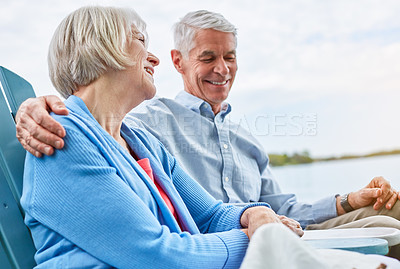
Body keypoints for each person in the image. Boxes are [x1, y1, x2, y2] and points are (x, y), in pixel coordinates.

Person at [16, 10, 400, 232]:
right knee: (388, 229)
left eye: (230, 57)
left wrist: (348, 200)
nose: (222, 69)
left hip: (278, 232)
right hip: (234, 246)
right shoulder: (148, 123)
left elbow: (283, 206)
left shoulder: (245, 137)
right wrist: (36, 107)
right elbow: (92, 109)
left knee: (391, 212)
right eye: (208, 58)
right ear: (178, 61)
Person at [21, 6, 307, 268]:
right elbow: (158, 256)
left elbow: (210, 217)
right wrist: (259, 236)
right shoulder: (61, 139)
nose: (155, 58)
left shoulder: (142, 143)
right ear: (99, 47)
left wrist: (255, 215)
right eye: (140, 41)